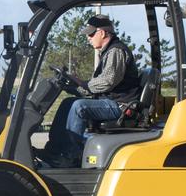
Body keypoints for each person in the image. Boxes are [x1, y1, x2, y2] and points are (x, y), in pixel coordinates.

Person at [44, 15, 142, 167]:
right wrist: (76, 86)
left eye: (91, 34)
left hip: (120, 105)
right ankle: (54, 149)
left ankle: (72, 155)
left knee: (79, 107)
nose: (88, 38)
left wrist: (82, 83)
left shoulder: (116, 51)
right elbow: (101, 86)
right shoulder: (108, 52)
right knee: (68, 103)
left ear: (102, 33)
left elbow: (107, 82)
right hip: (110, 100)